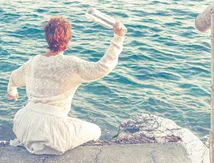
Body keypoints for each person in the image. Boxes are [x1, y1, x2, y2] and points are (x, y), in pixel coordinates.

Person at [7, 16, 127, 155]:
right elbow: (102, 67)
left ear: (46, 37)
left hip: (24, 124)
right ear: (68, 39)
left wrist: (12, 91)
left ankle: (35, 138)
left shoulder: (32, 62)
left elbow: (14, 78)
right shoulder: (72, 64)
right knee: (95, 130)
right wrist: (118, 38)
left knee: (59, 122)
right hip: (51, 132)